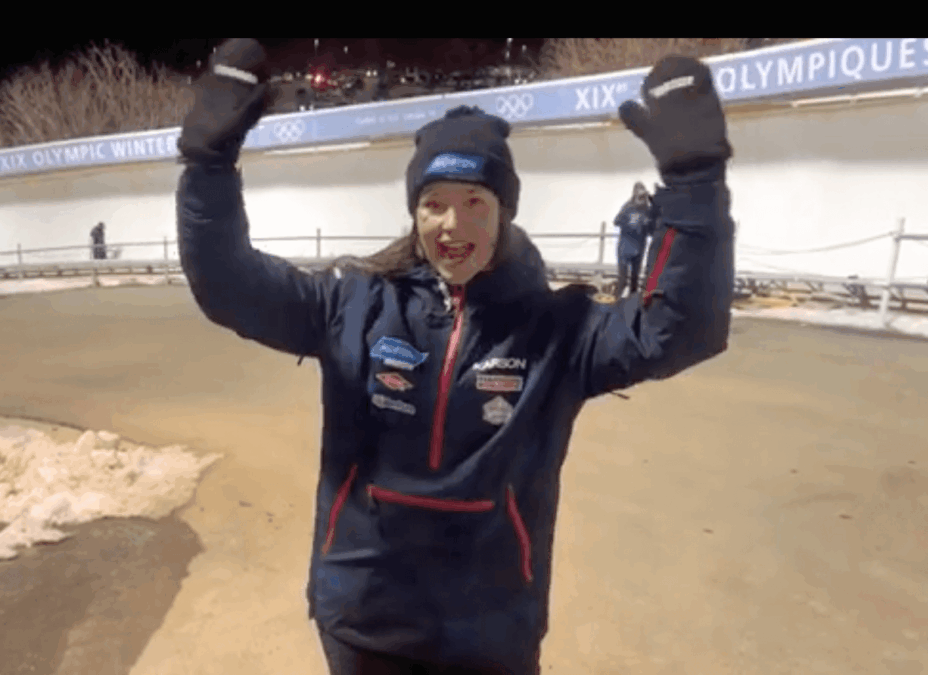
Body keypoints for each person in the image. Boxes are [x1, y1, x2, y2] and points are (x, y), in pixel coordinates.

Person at [177, 39, 734, 675]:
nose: (452, 223)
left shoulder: (557, 329)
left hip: (491, 635)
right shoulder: (351, 305)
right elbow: (229, 285)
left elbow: (680, 329)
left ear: (503, 213)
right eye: (434, 201)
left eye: (475, 202)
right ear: (414, 211)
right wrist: (207, 166)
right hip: (365, 623)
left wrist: (694, 187)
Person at [612, 181, 655, 298]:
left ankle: (631, 306)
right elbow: (616, 221)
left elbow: (651, 232)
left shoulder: (648, 210)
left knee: (635, 280)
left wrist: (648, 224)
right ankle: (615, 304)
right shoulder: (628, 206)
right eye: (638, 194)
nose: (641, 198)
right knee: (623, 279)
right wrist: (630, 222)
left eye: (643, 195)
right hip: (625, 248)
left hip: (639, 248)